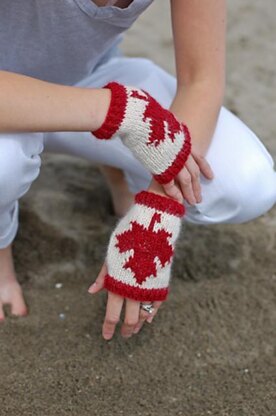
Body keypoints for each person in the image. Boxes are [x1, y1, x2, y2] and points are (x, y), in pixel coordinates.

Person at [0, 0, 275, 340]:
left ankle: (115, 165)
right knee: (3, 166)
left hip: (91, 79)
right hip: (16, 103)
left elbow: (200, 80)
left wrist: (158, 209)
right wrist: (121, 113)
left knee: (246, 183)